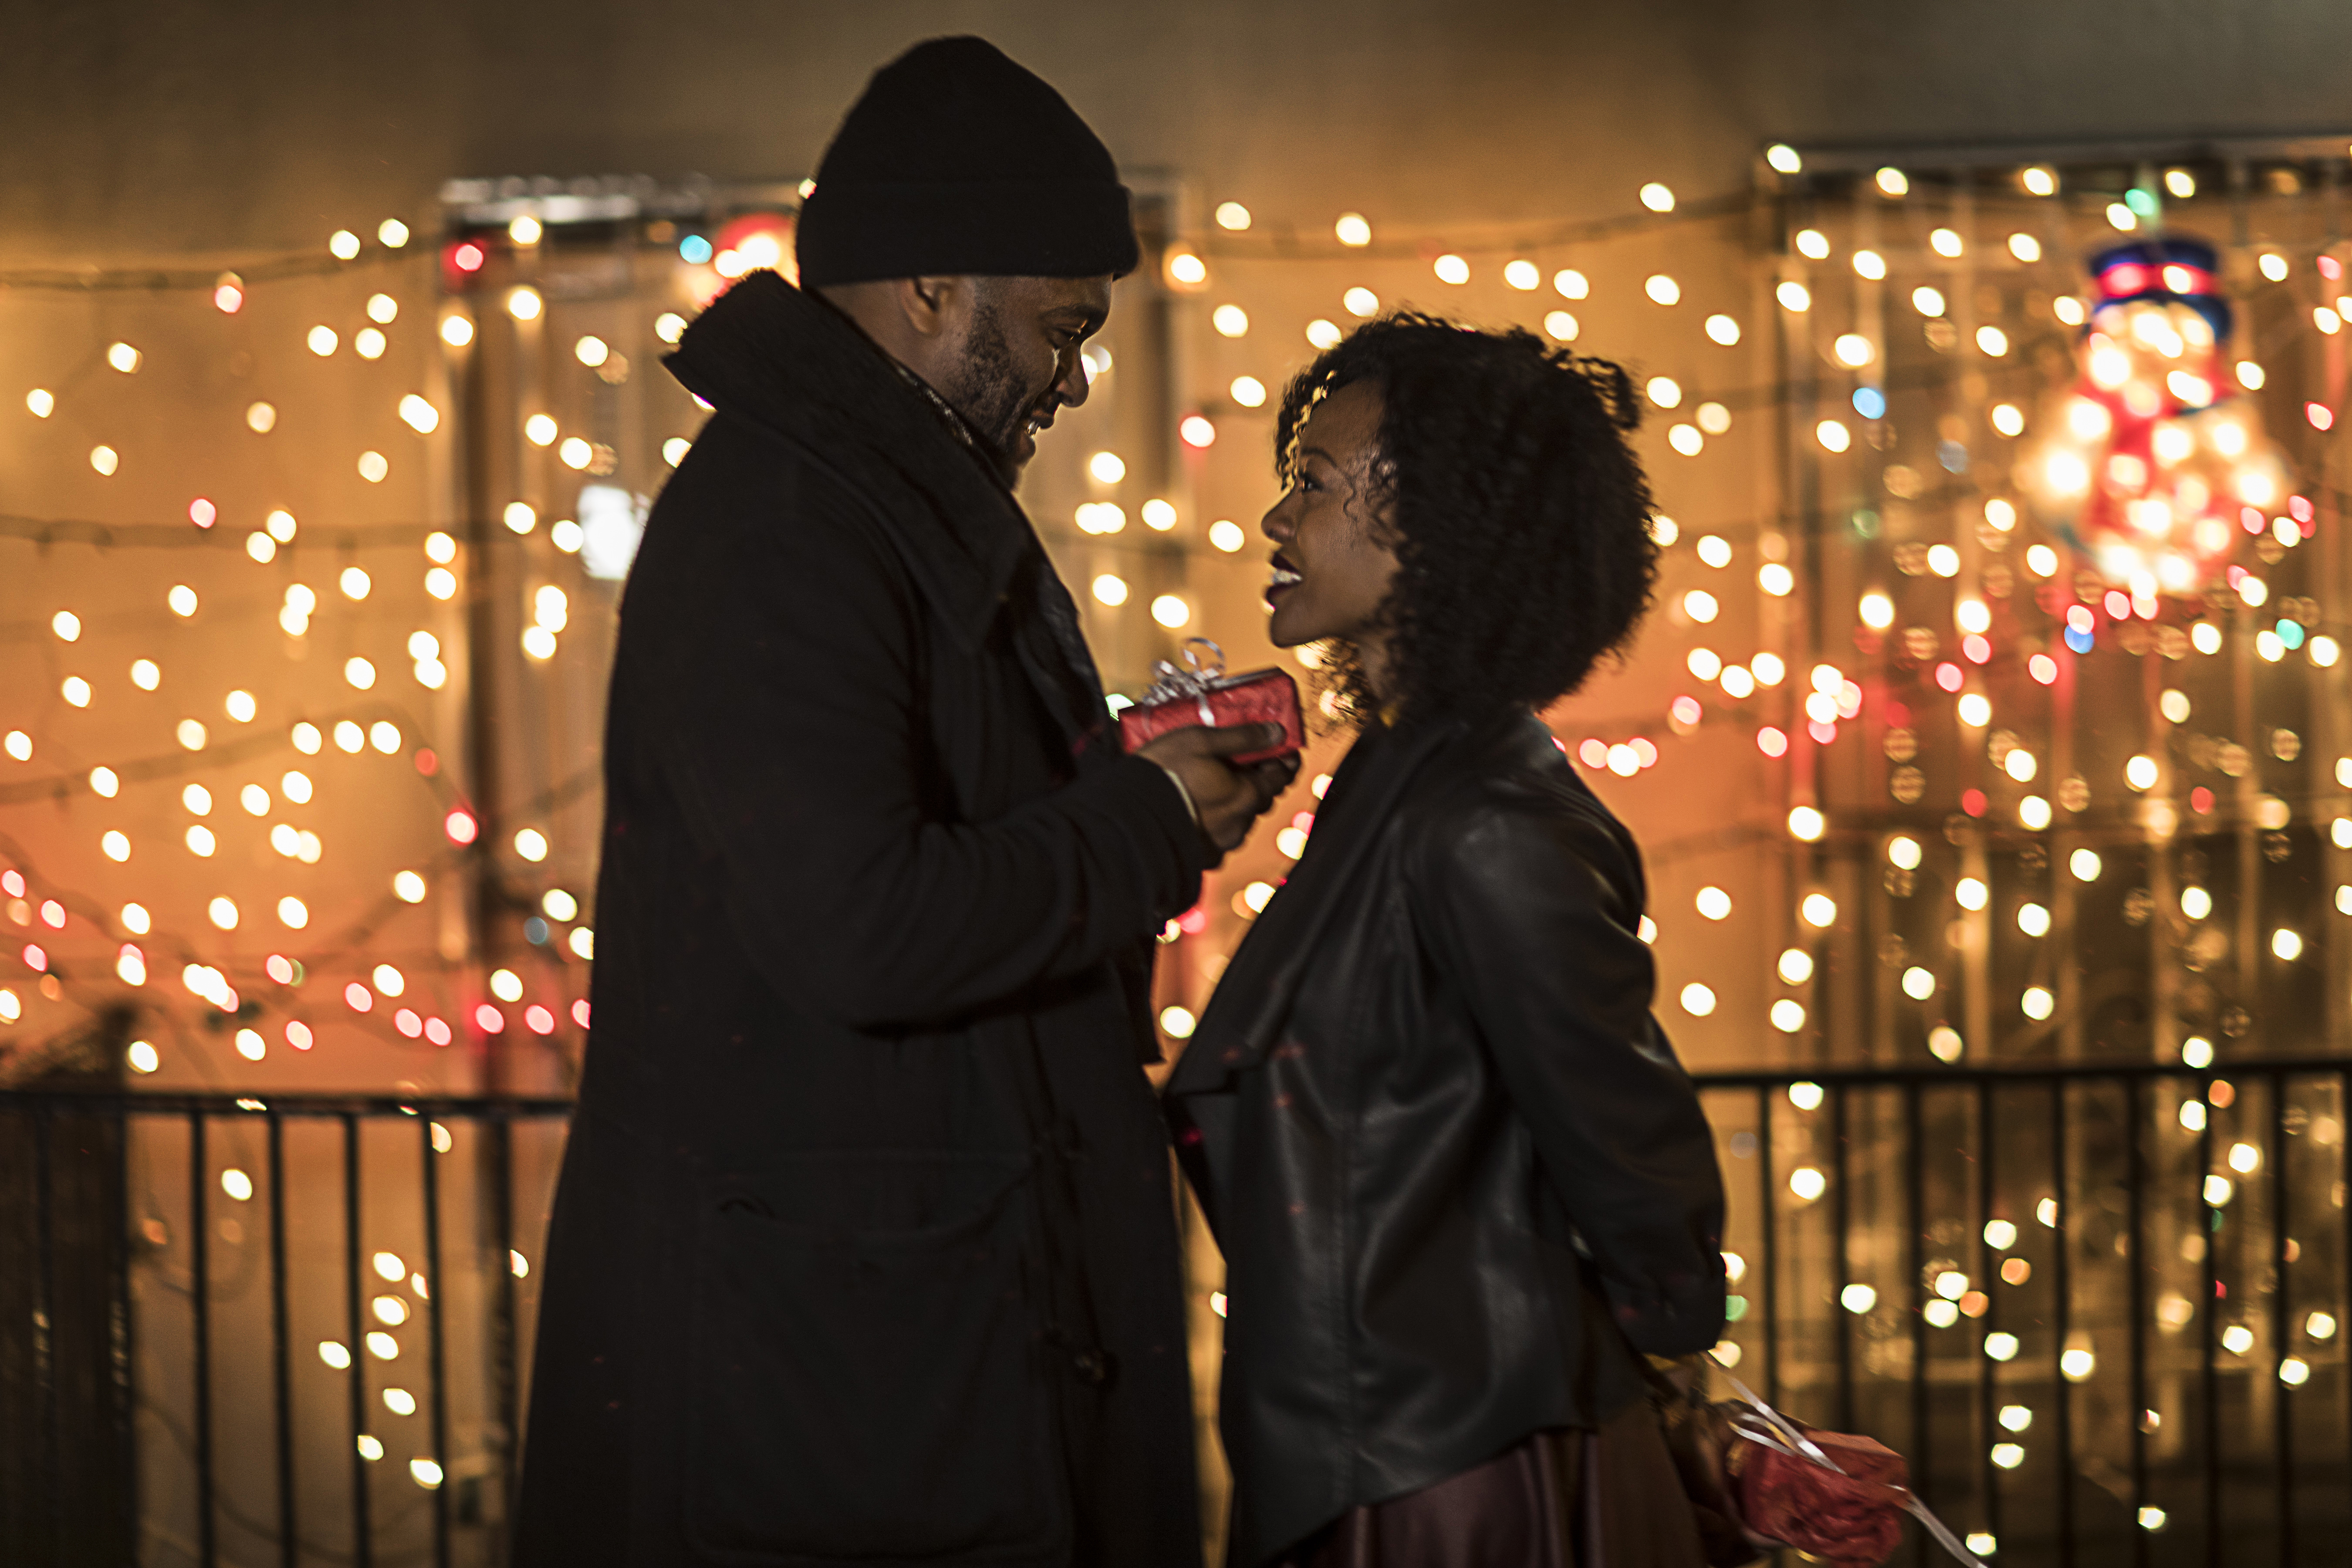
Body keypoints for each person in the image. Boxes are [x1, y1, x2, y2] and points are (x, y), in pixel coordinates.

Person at [513, 37, 1294, 1568]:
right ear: (935, 288)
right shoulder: (792, 524)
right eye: (1061, 329)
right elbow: (863, 920)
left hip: (895, 1351)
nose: (1075, 380)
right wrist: (1144, 824)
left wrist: (1116, 783)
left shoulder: (865, 505)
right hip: (854, 1387)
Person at [1166, 316, 1730, 1568]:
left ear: (1435, 527)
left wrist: (1676, 1328)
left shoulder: (1484, 818)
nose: (1276, 521)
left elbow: (1625, 1132)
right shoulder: (1401, 780)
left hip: (1458, 1472)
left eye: (1314, 484)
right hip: (1382, 1444)